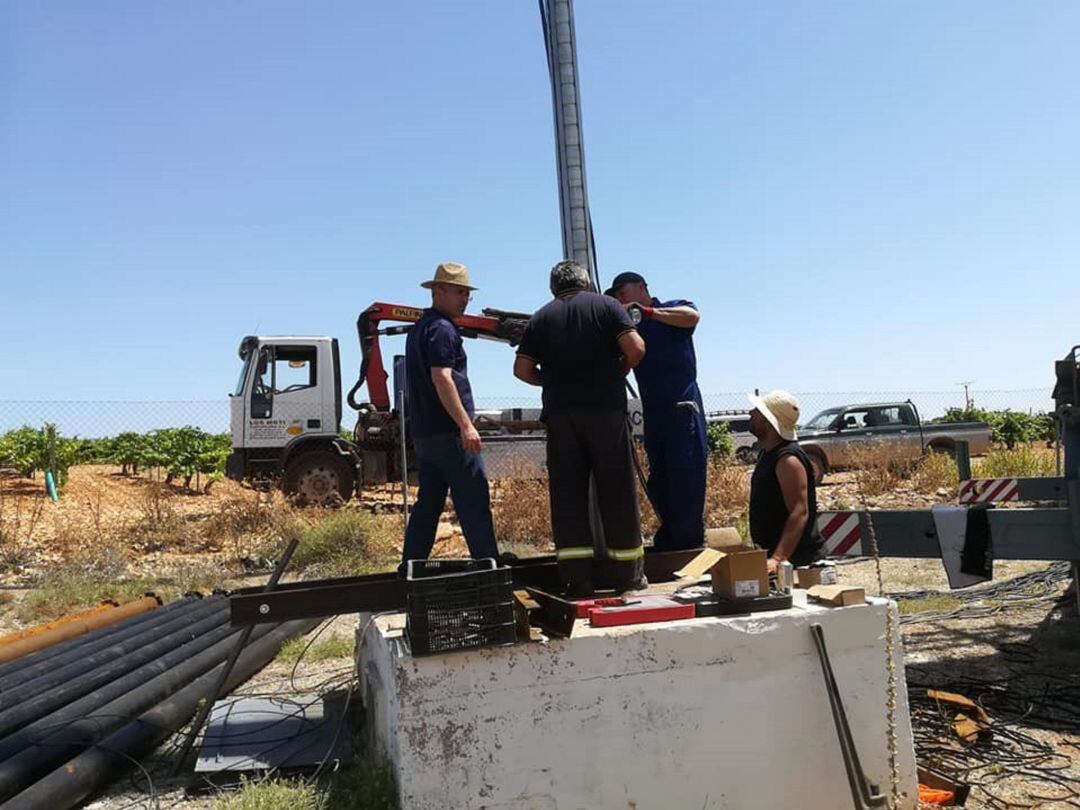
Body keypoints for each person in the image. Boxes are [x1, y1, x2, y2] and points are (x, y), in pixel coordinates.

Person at [513, 261, 647, 597]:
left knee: (568, 495)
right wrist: (617, 370)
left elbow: (522, 369)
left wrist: (553, 381)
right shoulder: (607, 307)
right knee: (616, 490)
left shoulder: (540, 318)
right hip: (605, 411)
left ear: (553, 288)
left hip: (561, 416)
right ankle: (628, 575)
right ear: (586, 283)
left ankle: (577, 579)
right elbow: (637, 349)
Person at [400, 262, 499, 567]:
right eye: (459, 292)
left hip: (427, 436)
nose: (465, 299)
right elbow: (442, 377)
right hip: (449, 434)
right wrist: (466, 425)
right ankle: (490, 569)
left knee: (428, 506)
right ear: (438, 291)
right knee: (474, 503)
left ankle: (410, 568)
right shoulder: (443, 329)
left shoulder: (420, 329)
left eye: (467, 293)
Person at [605, 271, 706, 551]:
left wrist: (648, 313)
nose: (621, 302)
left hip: (681, 407)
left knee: (685, 473)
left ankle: (688, 542)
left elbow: (692, 316)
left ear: (640, 287)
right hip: (655, 412)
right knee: (660, 478)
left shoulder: (670, 309)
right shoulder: (631, 329)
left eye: (622, 295)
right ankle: (672, 536)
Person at [746, 390, 823, 574]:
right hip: (777, 564)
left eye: (757, 410)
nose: (750, 413)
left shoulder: (788, 459)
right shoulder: (768, 454)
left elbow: (800, 511)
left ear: (767, 419)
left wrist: (778, 558)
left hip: (797, 565)